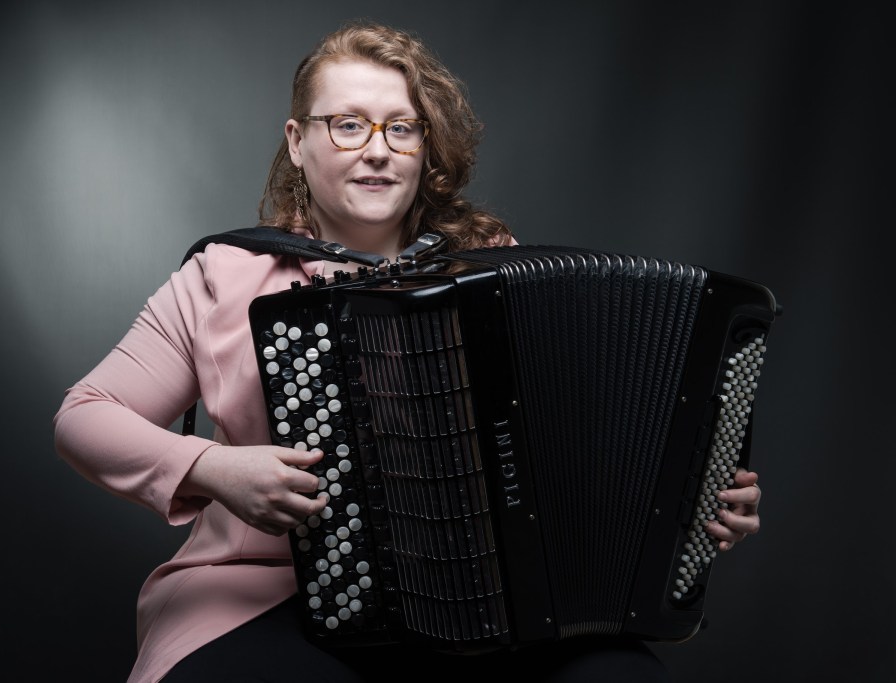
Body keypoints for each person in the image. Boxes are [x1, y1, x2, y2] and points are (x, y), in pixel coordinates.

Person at [53, 20, 763, 683]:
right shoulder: (224, 275)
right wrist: (213, 467)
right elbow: (85, 415)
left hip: (484, 600)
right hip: (260, 594)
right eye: (348, 125)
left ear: (425, 147)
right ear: (298, 142)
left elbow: (574, 441)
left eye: (401, 127)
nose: (377, 148)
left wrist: (689, 496)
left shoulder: (494, 268)